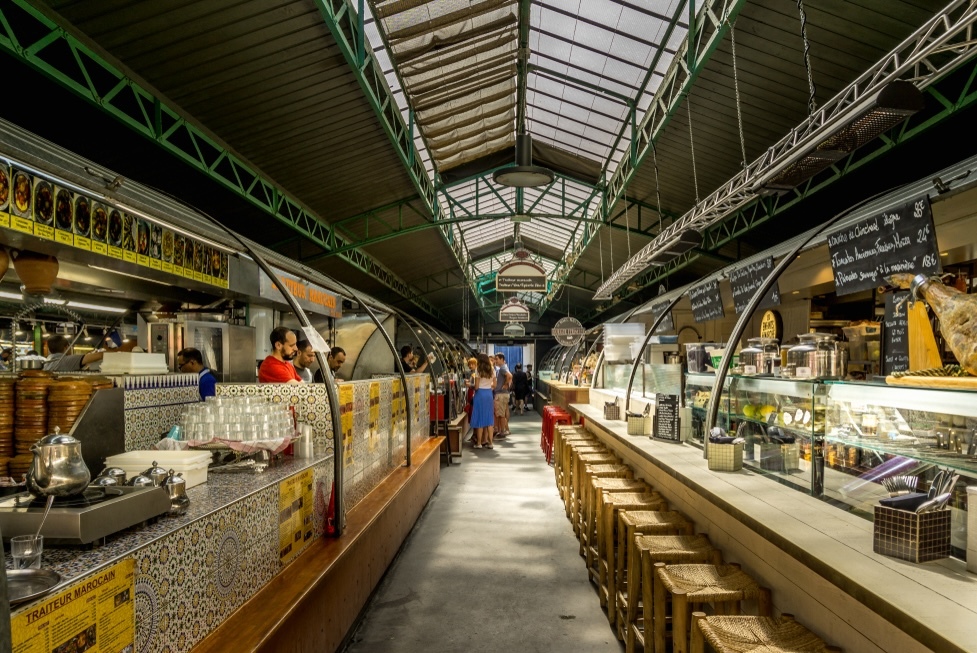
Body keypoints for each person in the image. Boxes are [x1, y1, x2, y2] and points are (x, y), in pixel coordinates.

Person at [469, 354, 496, 449]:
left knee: (480, 418)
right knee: (489, 418)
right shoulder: (492, 370)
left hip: (480, 394)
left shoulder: (478, 370)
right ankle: (490, 443)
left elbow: (476, 387)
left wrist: (472, 386)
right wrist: (488, 388)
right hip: (489, 394)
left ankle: (479, 443)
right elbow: (495, 384)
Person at [493, 353, 512, 438]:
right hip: (503, 393)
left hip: (501, 393)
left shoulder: (502, 368)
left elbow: (509, 376)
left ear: (501, 359)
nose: (495, 361)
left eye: (497, 359)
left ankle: (502, 431)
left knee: (500, 414)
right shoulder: (503, 368)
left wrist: (505, 384)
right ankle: (502, 430)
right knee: (502, 413)